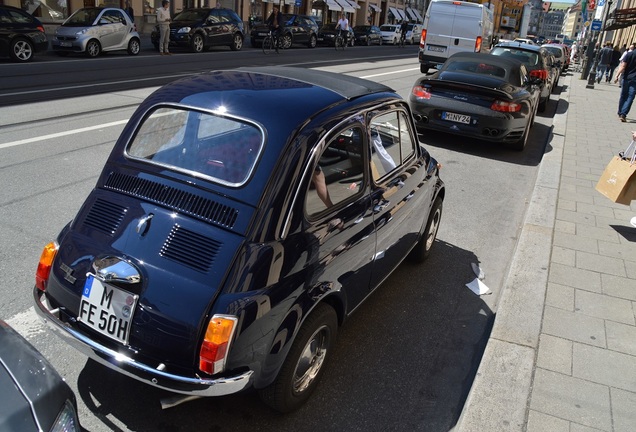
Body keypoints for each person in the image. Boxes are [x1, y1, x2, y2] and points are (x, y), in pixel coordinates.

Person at [614, 47, 636, 121]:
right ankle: (623, 114)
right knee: (630, 97)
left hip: (626, 78)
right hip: (635, 80)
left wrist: (617, 75)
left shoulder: (629, 54)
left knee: (623, 95)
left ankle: (620, 112)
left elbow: (623, 66)